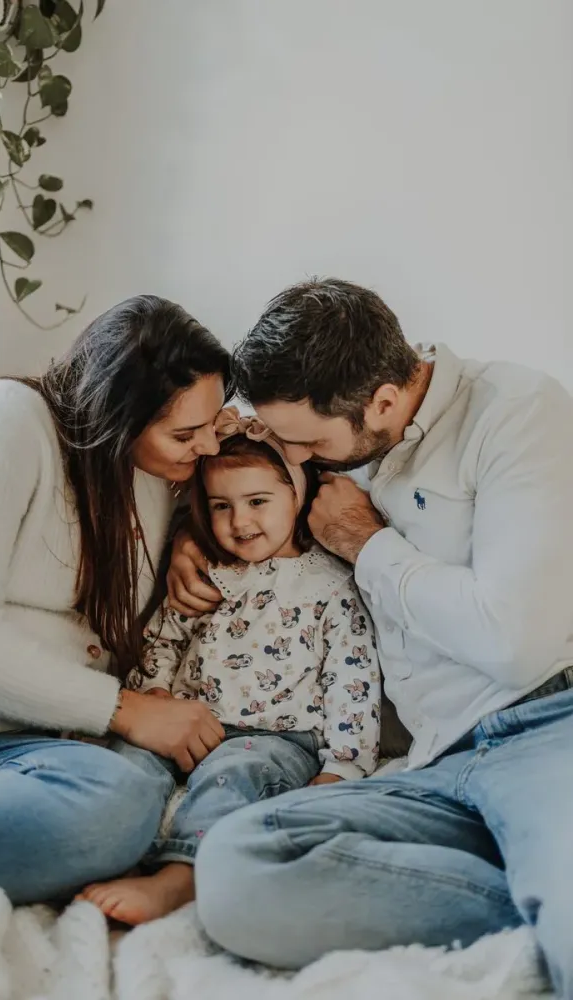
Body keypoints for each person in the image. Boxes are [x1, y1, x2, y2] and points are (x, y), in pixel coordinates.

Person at [169, 279, 573, 996]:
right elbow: (237, 476)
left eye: (306, 442)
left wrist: (368, 544)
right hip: (434, 769)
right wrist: (191, 540)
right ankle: (529, 890)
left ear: (384, 401)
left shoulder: (517, 412)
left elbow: (517, 643)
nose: (291, 453)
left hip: (544, 729)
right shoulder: (326, 429)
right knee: (235, 866)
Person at [0, 294, 231, 908]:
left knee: (120, 805)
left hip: (0, 749)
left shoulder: (152, 471)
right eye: (187, 433)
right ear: (117, 413)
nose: (209, 446)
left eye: (213, 424)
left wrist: (191, 533)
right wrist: (124, 709)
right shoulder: (8, 420)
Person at [78, 408, 380, 924]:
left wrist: (343, 766)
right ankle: (93, 850)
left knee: (235, 775)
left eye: (258, 502)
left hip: (275, 737)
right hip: (184, 726)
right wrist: (151, 697)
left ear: (298, 494)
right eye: (222, 506)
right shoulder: (208, 570)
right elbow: (164, 640)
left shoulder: (332, 585)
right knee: (125, 765)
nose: (240, 522)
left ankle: (183, 879)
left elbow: (352, 677)